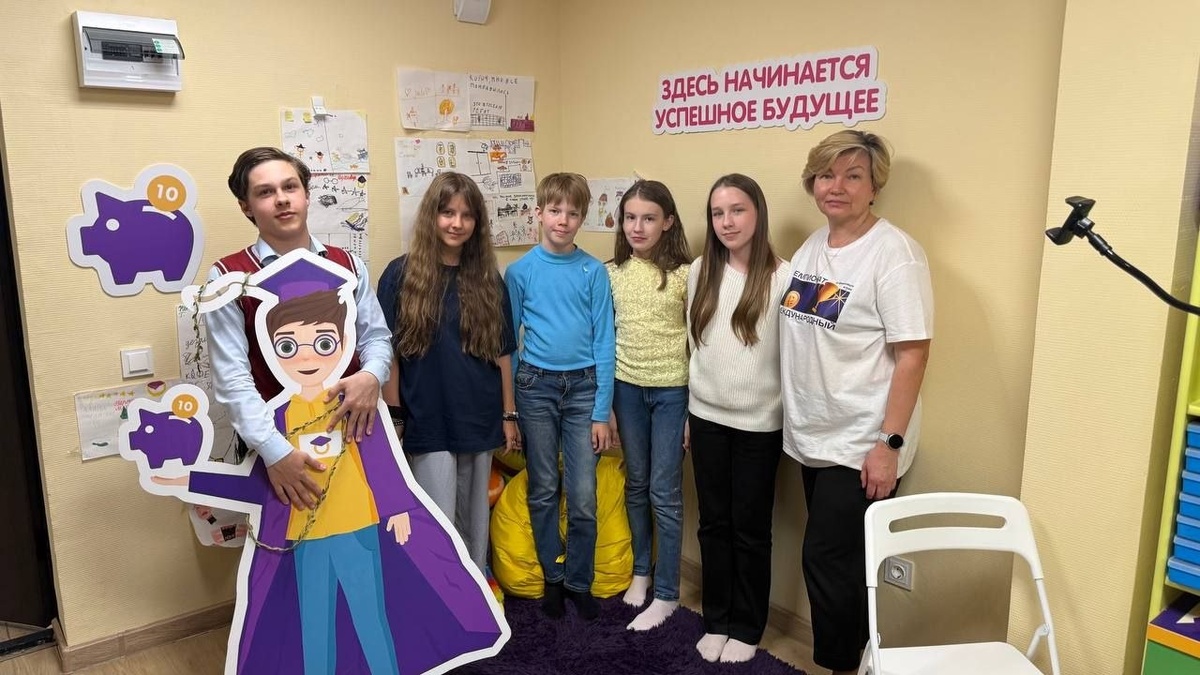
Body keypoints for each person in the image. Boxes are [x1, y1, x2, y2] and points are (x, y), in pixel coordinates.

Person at [780, 130, 933, 675]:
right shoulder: (813, 247)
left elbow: (913, 354)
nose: (837, 187)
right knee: (842, 566)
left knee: (828, 562)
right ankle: (858, 661)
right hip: (815, 436)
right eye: (826, 175)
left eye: (853, 176)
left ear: (874, 187)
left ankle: (841, 666)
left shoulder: (894, 254)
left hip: (862, 441)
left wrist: (888, 444)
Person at [206, 147, 391, 510]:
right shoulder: (229, 277)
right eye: (265, 192)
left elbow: (376, 337)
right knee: (287, 541)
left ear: (306, 194)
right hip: (277, 447)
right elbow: (232, 379)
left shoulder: (348, 265)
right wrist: (276, 453)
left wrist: (372, 376)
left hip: (354, 434)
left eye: (289, 187)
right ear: (246, 207)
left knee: (364, 531)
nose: (281, 199)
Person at [376, 171, 519, 575]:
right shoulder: (400, 275)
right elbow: (388, 352)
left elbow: (503, 352)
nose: (457, 223)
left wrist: (509, 414)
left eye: (467, 215)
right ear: (431, 216)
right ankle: (440, 592)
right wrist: (395, 415)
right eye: (448, 213)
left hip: (479, 414)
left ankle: (476, 588)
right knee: (435, 516)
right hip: (427, 417)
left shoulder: (488, 279)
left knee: (475, 518)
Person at [687, 174, 791, 663]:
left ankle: (747, 628)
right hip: (705, 416)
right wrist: (689, 413)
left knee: (750, 529)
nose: (726, 222)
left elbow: (799, 355)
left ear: (758, 213)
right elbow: (695, 347)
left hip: (759, 425)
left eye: (737, 210)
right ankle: (717, 619)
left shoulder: (785, 278)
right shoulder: (699, 272)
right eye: (717, 213)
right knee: (713, 523)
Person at [505, 172, 615, 621]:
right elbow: (510, 344)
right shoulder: (519, 272)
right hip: (535, 388)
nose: (563, 220)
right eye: (555, 210)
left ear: (582, 218)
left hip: (584, 389)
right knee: (544, 486)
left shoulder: (593, 272)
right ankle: (552, 576)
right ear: (539, 213)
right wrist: (511, 409)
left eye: (572, 213)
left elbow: (604, 340)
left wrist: (601, 411)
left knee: (583, 494)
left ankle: (579, 581)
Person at [604, 180, 692, 631]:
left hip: (673, 392)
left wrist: (692, 412)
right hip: (627, 390)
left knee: (664, 492)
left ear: (668, 222)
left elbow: (699, 343)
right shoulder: (610, 273)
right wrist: (607, 406)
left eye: (649, 218)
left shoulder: (687, 275)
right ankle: (641, 571)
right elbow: (604, 340)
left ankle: (667, 592)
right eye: (630, 218)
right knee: (636, 484)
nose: (637, 227)